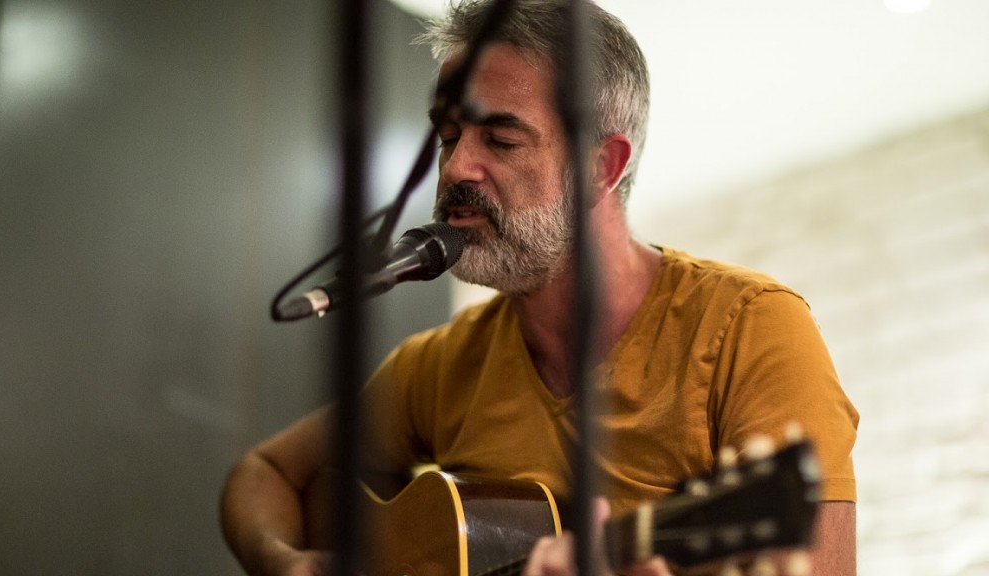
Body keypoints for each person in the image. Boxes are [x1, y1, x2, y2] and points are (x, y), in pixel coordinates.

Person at [220, 1, 860, 575]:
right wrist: (287, 563)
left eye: (500, 139)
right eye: (448, 136)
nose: (457, 167)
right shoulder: (438, 367)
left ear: (602, 168)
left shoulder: (749, 330)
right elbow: (264, 474)